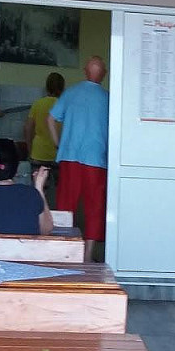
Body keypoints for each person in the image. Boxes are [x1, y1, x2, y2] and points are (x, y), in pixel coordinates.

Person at [48, 55, 109, 262]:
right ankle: (88, 255)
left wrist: (58, 143)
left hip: (70, 155)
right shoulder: (108, 98)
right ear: (104, 74)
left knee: (66, 205)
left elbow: (50, 119)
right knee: (94, 207)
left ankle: (64, 252)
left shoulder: (70, 93)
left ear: (84, 71)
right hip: (96, 159)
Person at [24, 71, 65, 167]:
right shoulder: (64, 105)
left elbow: (27, 128)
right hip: (57, 155)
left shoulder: (38, 104)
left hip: (38, 153)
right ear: (62, 88)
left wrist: (30, 150)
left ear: (47, 87)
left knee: (37, 177)